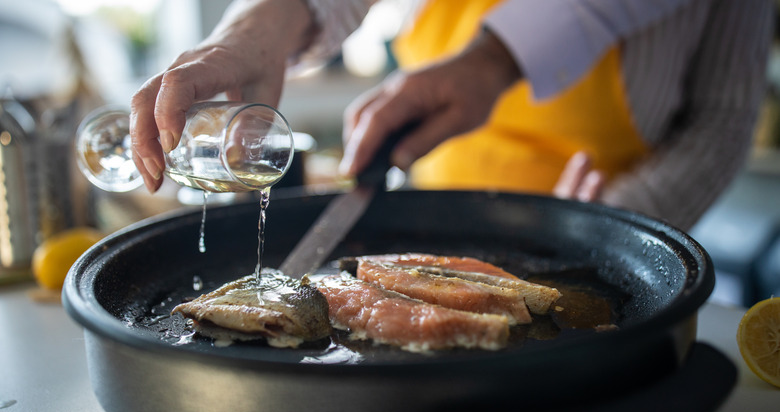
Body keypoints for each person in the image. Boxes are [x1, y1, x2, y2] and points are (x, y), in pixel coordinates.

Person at [130, 0, 773, 231]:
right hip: (431, 231)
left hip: (595, 227)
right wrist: (255, 29)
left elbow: (723, 118)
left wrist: (616, 232)